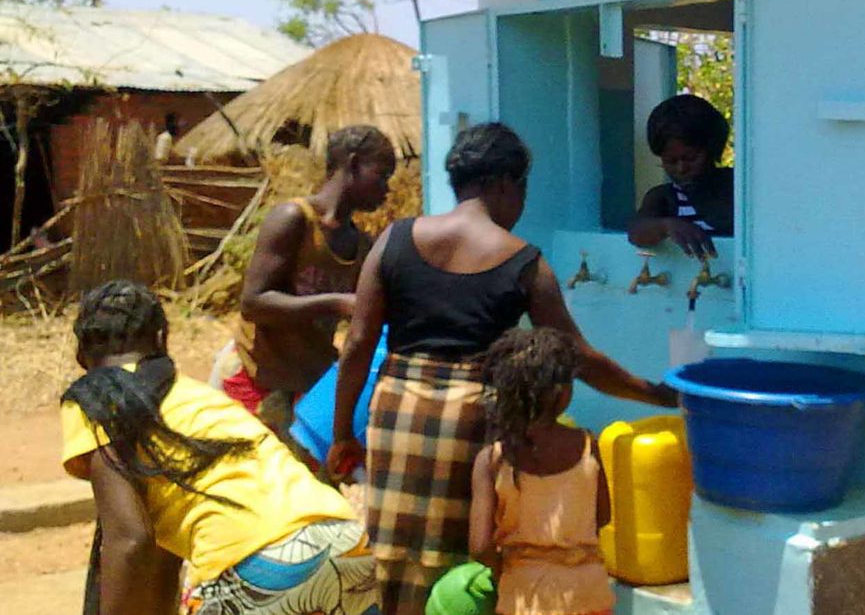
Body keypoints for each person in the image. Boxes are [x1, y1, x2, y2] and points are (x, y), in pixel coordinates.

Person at [329, 122, 676, 614]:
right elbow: (576, 356)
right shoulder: (524, 262)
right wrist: (658, 394)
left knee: (395, 552)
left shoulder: (395, 239)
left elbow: (359, 344)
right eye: (522, 190)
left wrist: (343, 433)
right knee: (467, 556)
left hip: (397, 413)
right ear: (502, 185)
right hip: (476, 416)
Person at [59, 280, 378, 615]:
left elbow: (129, 540)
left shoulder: (96, 399)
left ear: (82, 357)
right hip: (344, 542)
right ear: (160, 341)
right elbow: (162, 557)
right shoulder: (198, 399)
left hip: (256, 565)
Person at [224, 125, 396, 440]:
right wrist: (337, 302)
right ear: (354, 164)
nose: (387, 188)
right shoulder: (294, 219)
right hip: (257, 374)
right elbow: (253, 303)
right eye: (382, 175)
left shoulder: (361, 246)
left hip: (307, 382)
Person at [470, 327, 615, 615]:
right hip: (587, 591)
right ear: (561, 393)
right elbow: (603, 516)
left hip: (523, 592)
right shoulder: (587, 446)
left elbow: (479, 545)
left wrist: (505, 571)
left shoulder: (491, 460)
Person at [628, 94, 734, 258]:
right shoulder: (664, 198)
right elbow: (636, 232)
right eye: (670, 161)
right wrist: (665, 226)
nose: (681, 168)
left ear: (713, 149)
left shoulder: (737, 188)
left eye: (691, 158)